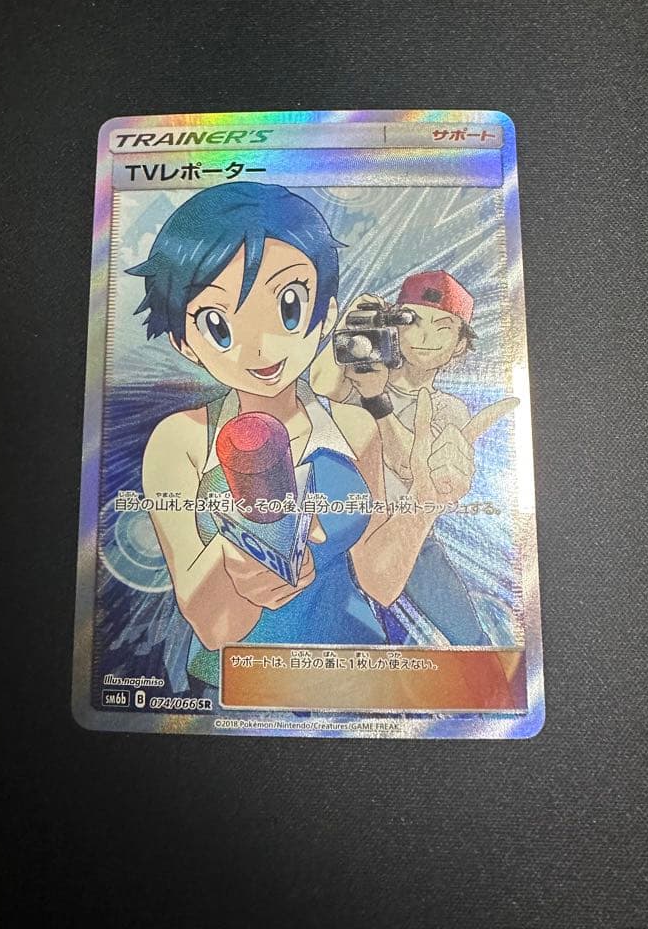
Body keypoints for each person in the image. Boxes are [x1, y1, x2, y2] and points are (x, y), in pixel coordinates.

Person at [127, 184, 476, 688]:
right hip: (244, 684)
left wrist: (425, 500)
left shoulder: (355, 426)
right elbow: (215, 628)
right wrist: (245, 553)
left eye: (288, 307)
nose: (261, 346)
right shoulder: (180, 441)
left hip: (355, 668)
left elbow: (378, 582)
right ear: (185, 343)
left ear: (326, 315)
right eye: (219, 324)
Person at [310, 270, 517, 645]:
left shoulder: (448, 408)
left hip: (411, 537)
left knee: (471, 639)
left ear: (459, 344)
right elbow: (322, 383)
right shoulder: (366, 371)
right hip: (345, 531)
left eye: (443, 328)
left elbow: (411, 467)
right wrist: (348, 324)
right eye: (412, 321)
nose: (424, 337)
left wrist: (377, 401)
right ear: (394, 327)